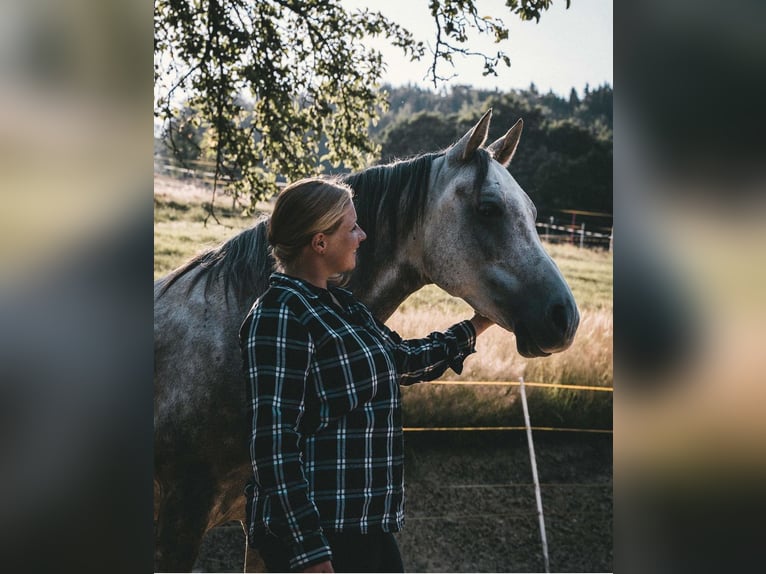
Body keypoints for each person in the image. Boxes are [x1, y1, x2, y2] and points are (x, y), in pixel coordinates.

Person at [240, 177, 493, 573]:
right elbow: (272, 442)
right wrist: (310, 551)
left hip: (363, 525)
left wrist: (476, 326)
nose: (362, 235)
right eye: (351, 227)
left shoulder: (343, 306)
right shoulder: (280, 314)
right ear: (319, 242)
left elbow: (402, 359)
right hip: (320, 533)